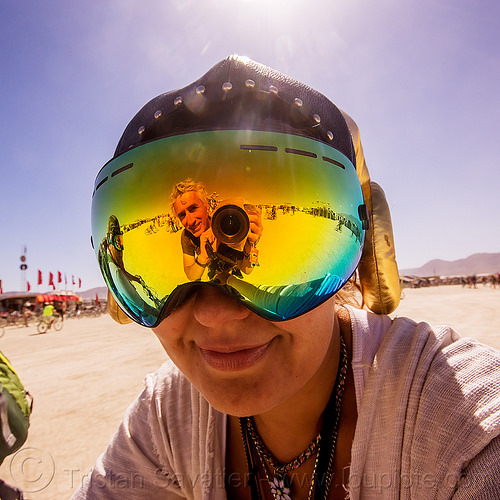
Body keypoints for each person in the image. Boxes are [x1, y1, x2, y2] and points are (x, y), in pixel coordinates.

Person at [74, 56, 500, 499]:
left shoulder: (453, 421)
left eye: (293, 254)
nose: (216, 314)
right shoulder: (166, 415)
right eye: (177, 219)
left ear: (360, 250)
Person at [170, 178, 263, 281]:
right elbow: (191, 276)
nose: (190, 221)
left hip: (233, 277)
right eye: (182, 215)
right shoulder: (187, 236)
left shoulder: (224, 224)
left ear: (207, 206)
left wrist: (251, 244)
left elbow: (247, 270)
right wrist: (202, 257)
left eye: (193, 209)